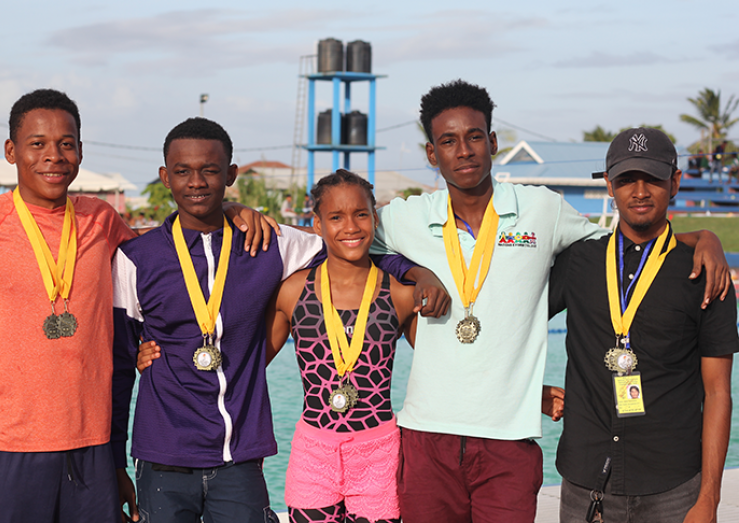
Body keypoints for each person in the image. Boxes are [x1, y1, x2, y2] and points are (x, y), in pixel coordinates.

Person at [367, 80, 729, 523]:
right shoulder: (405, 218)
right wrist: (413, 272)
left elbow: (631, 239)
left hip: (510, 440)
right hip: (428, 435)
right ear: (431, 153)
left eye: (475, 137)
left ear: (494, 142)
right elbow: (343, 238)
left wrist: (701, 236)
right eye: (448, 141)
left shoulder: (543, 210)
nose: (463, 151)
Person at [112, 119, 442, 523]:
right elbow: (117, 370)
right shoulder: (136, 258)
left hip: (241, 453)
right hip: (163, 451)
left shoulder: (269, 243)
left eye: (211, 170)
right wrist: (112, 461)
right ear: (165, 177)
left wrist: (413, 272)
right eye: (182, 171)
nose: (196, 182)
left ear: (231, 175)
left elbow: (349, 245)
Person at [0, 89, 136, 523]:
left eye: (67, 144)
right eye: (38, 144)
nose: (54, 156)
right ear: (12, 151)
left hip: (92, 447)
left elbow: (168, 261)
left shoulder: (102, 220)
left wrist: (228, 214)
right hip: (6, 450)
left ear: (81, 152)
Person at [549, 127, 738, 523]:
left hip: (674, 489)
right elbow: (510, 325)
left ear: (675, 182)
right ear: (608, 185)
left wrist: (709, 500)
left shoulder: (707, 275)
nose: (639, 191)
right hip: (586, 483)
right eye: (625, 180)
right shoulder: (578, 263)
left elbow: (719, 392)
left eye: (652, 178)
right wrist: (528, 393)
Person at [265, 170, 448, 523]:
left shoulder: (399, 295)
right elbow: (247, 366)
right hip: (313, 454)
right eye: (336, 217)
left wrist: (528, 391)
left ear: (375, 219)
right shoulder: (293, 292)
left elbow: (443, 366)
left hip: (378, 453)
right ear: (317, 224)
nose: (350, 227)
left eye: (361, 214)